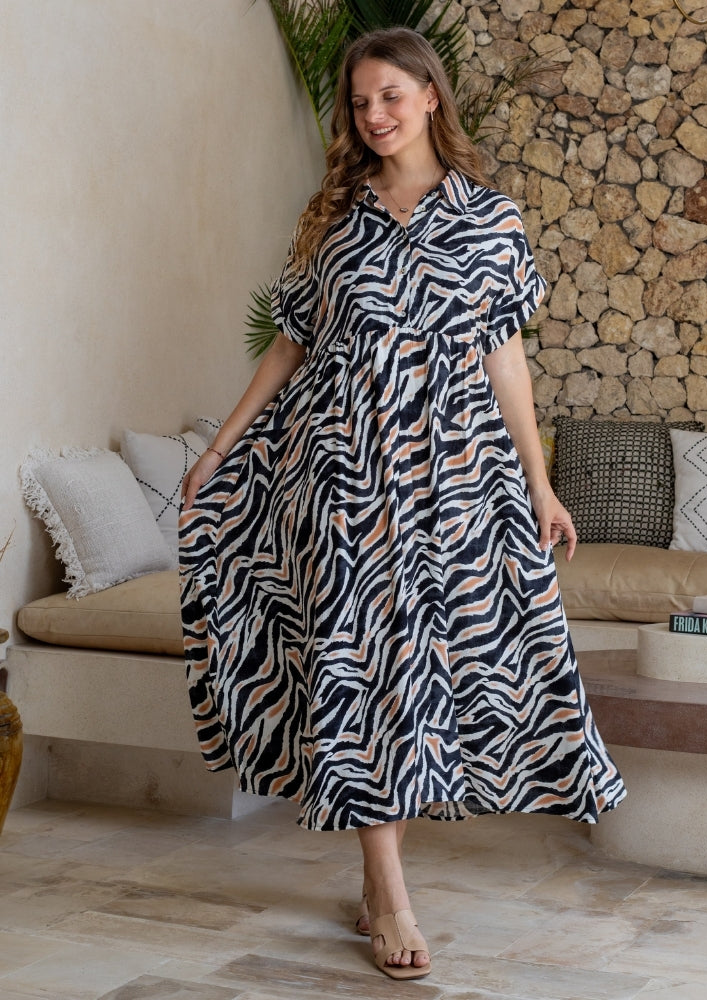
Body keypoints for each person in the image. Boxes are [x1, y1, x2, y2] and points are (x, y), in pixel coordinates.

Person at [180, 26, 626, 982]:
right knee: (356, 664)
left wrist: (541, 483)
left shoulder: (491, 220)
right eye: (359, 102)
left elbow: (507, 360)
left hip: (457, 477)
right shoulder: (334, 219)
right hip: (342, 473)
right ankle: (386, 888)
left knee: (443, 664)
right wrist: (219, 448)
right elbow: (289, 342)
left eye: (390, 96)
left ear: (431, 95)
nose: (372, 116)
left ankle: (389, 874)